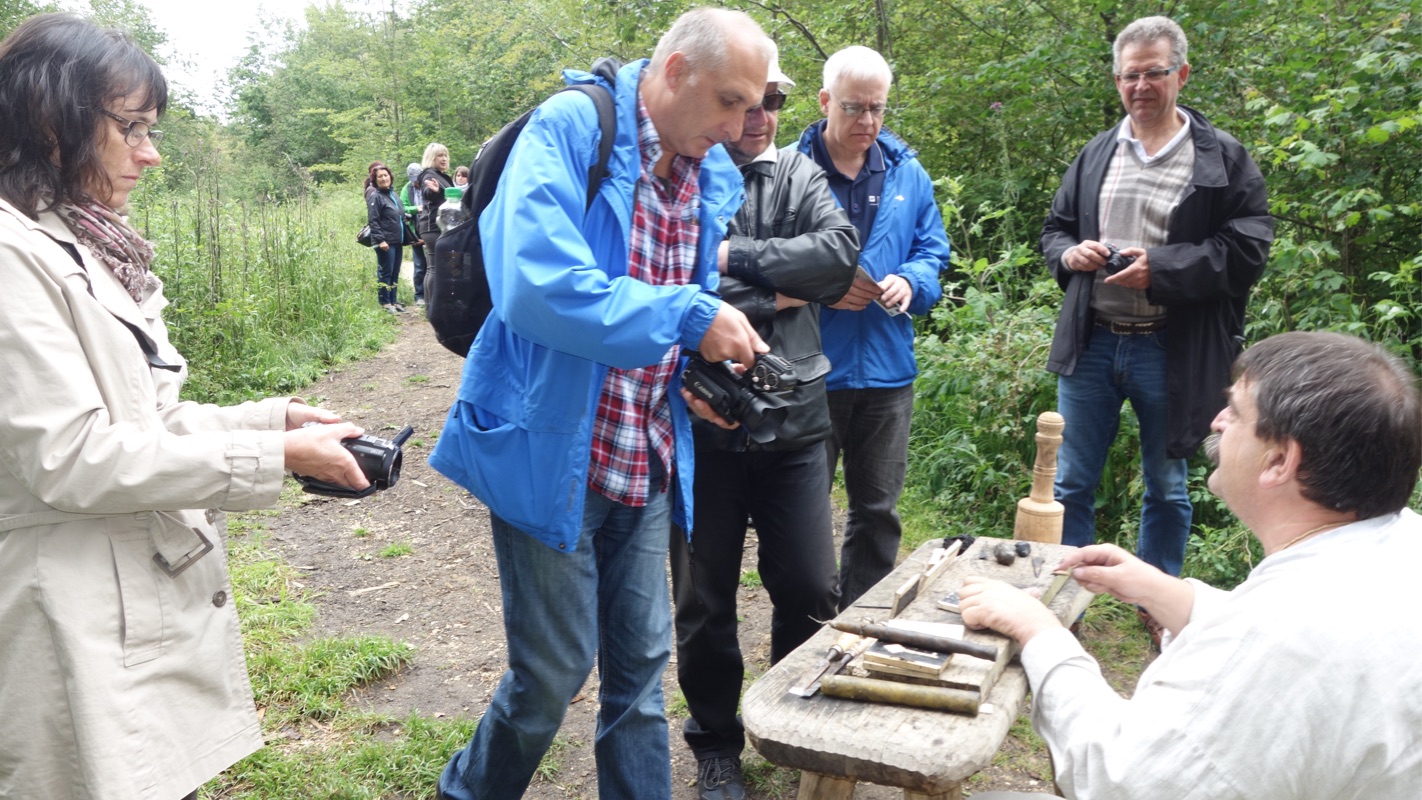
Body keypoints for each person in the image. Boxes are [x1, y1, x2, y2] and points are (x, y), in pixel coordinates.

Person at [0, 13, 368, 800]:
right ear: (48, 118)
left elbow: (141, 423)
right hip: (69, 615)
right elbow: (72, 458)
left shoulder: (90, 245)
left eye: (151, 128)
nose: (150, 153)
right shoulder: (10, 255)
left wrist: (268, 424)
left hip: (124, 603)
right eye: (130, 127)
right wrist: (268, 460)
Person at [428, 8, 771, 800]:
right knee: (550, 677)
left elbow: (675, 306)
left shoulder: (707, 173)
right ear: (676, 71)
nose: (740, 124)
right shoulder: (573, 129)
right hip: (552, 450)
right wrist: (689, 319)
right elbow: (538, 289)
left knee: (643, 679)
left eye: (749, 106)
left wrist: (695, 376)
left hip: (645, 452)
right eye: (728, 101)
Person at [960, 330, 1422, 800]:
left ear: (1279, 460)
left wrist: (1042, 634)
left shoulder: (1281, 633)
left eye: (1236, 412)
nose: (1218, 421)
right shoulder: (1402, 541)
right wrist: (1169, 593)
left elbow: (1121, 781)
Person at [1039, 16, 1274, 634]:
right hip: (1091, 342)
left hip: (1173, 349)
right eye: (1130, 75)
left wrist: (1161, 269)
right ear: (1117, 81)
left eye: (1155, 72)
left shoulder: (1221, 158)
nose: (1142, 85)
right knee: (1072, 482)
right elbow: (1055, 231)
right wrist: (1071, 256)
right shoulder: (1097, 152)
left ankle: (1158, 605)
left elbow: (1248, 249)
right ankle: (1070, 599)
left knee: (1167, 485)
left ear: (1181, 75)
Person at [669, 41, 858, 800]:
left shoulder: (802, 174)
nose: (758, 116)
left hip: (795, 426)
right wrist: (776, 290)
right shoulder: (682, 171)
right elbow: (660, 283)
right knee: (703, 600)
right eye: (747, 102)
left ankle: (790, 721)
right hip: (702, 424)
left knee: (811, 585)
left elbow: (838, 262)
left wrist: (727, 264)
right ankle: (716, 746)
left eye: (773, 102)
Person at [796, 45, 951, 611]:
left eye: (877, 109)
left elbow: (933, 250)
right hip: (810, 371)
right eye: (854, 107)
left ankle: (860, 628)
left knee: (878, 513)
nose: (867, 122)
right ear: (824, 102)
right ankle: (805, 635)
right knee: (803, 521)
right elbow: (760, 260)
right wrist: (819, 283)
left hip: (887, 371)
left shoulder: (908, 171)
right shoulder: (789, 171)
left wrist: (912, 282)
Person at [364, 161, 406, 312]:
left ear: (390, 177)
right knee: (385, 272)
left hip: (396, 240)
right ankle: (385, 303)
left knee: (395, 272)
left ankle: (393, 301)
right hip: (384, 242)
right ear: (375, 180)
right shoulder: (375, 196)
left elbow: (401, 216)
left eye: (385, 175)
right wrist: (381, 240)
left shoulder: (392, 194)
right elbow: (373, 220)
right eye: (380, 176)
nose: (383, 178)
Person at [415, 144, 452, 304]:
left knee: (438, 268)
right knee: (434, 268)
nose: (444, 159)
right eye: (439, 156)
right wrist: (435, 191)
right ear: (431, 158)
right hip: (433, 227)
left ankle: (436, 305)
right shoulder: (429, 175)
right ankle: (431, 306)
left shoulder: (442, 175)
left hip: (442, 226)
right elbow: (427, 192)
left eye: (445, 155)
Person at [399, 161, 428, 305]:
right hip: (415, 230)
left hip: (431, 229)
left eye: (417, 178)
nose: (416, 182)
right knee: (419, 265)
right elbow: (402, 207)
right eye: (413, 179)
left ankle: (432, 295)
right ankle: (419, 295)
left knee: (433, 265)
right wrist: (416, 209)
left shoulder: (429, 184)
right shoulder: (407, 188)